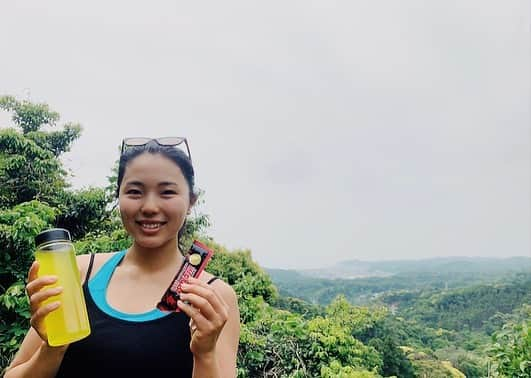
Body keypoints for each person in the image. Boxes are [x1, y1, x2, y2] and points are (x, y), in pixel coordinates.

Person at [5, 137, 240, 378]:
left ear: (191, 201)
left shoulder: (214, 298)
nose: (149, 206)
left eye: (167, 192)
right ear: (119, 196)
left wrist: (205, 354)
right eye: (135, 191)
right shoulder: (78, 272)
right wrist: (53, 348)